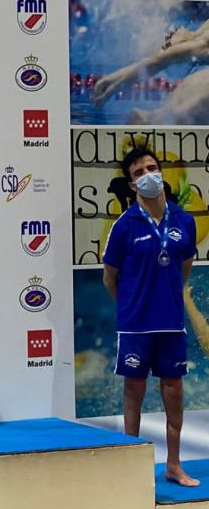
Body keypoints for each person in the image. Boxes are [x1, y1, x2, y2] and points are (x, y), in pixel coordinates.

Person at [102, 146, 199, 487]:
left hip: (171, 323)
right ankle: (131, 468)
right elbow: (109, 277)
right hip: (136, 325)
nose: (147, 175)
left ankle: (174, 465)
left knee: (173, 393)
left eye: (151, 168)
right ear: (131, 185)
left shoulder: (184, 221)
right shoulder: (124, 226)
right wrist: (130, 307)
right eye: (139, 173)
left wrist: (167, 298)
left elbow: (183, 267)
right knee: (134, 393)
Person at [92, 18, 209, 125]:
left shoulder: (202, 43)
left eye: (167, 44)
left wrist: (112, 86)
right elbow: (155, 62)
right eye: (167, 46)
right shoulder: (199, 40)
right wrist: (112, 85)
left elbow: (157, 61)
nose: (167, 38)